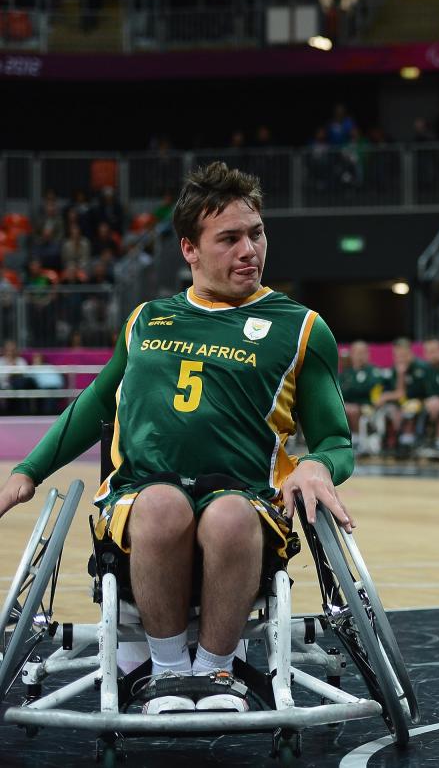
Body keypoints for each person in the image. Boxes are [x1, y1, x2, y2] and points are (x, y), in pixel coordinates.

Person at [0, 162, 354, 714]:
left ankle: (215, 671)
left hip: (246, 500)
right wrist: (27, 474)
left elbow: (337, 440)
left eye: (256, 234)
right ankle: (165, 671)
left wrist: (318, 466)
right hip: (141, 494)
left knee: (230, 515)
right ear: (189, 249)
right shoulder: (146, 319)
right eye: (229, 238)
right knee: (163, 505)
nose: (249, 250)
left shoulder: (301, 326)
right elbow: (94, 402)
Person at [339, 340, 383, 453]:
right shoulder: (346, 372)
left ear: (368, 354)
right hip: (347, 405)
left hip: (367, 405)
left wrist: (352, 390)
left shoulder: (373, 371)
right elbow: (340, 391)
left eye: (363, 352)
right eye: (357, 353)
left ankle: (357, 439)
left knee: (352, 410)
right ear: (352, 354)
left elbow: (369, 389)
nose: (360, 356)